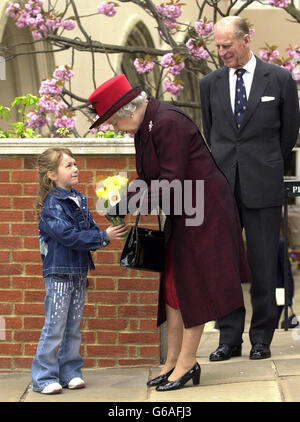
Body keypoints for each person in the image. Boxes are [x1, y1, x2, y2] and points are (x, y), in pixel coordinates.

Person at [88, 74, 251, 391]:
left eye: (110, 121)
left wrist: (129, 204)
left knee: (193, 284)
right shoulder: (144, 127)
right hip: (184, 211)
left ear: (127, 110)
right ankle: (171, 362)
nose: (112, 127)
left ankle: (187, 363)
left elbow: (171, 182)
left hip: (205, 213)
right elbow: (149, 179)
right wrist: (124, 200)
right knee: (174, 285)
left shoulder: (166, 122)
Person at [200, 16, 300, 361]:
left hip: (264, 185)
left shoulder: (281, 79)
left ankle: (261, 337)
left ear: (246, 40)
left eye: (227, 45)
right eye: (217, 46)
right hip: (222, 188)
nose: (221, 52)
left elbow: (288, 136)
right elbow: (212, 132)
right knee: (225, 265)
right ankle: (229, 338)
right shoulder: (208, 83)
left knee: (262, 264)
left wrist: (265, 163)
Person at [31, 147, 127, 394]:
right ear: (51, 174)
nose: (75, 169)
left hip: (78, 271)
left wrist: (108, 223)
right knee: (55, 326)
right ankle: (44, 377)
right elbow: (68, 236)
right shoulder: (53, 206)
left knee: (73, 326)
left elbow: (90, 229)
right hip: (60, 273)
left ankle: (70, 372)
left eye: (75, 164)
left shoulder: (79, 198)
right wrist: (103, 237)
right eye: (68, 166)